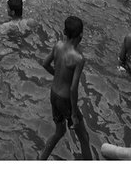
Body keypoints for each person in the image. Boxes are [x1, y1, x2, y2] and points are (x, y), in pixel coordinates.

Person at [39, 15, 92, 160]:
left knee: (59, 131)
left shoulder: (57, 46)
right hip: (65, 100)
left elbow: (45, 64)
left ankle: (41, 159)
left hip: (53, 95)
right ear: (81, 35)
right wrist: (74, 113)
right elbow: (73, 88)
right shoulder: (79, 58)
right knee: (84, 138)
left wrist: (57, 76)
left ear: (65, 32)